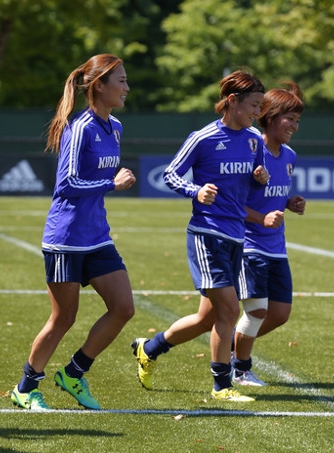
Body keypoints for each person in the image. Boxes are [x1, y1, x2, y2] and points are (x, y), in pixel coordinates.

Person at [130, 70, 269, 402]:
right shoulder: (203, 137)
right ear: (232, 101)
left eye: (261, 106)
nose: (257, 112)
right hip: (207, 234)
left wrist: (259, 179)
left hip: (237, 234)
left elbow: (249, 185)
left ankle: (149, 348)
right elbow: (170, 174)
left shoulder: (253, 140)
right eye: (253, 104)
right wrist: (196, 190)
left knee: (208, 318)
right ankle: (222, 386)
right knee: (229, 310)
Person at [11, 53, 136, 411]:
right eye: (121, 81)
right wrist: (110, 183)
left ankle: (73, 373)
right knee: (63, 317)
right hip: (65, 239)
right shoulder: (80, 128)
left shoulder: (116, 127)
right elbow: (66, 184)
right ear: (100, 86)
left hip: (97, 237)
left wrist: (107, 185)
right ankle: (25, 388)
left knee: (123, 307)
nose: (127, 87)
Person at [231, 81, 306, 386]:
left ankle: (229, 347)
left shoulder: (289, 156)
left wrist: (290, 202)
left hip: (277, 247)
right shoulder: (250, 150)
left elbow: (272, 196)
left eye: (298, 121)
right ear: (271, 116)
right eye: (290, 119)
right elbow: (233, 201)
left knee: (280, 313)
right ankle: (240, 367)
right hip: (250, 245)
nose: (295, 127)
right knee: (258, 310)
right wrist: (262, 218)